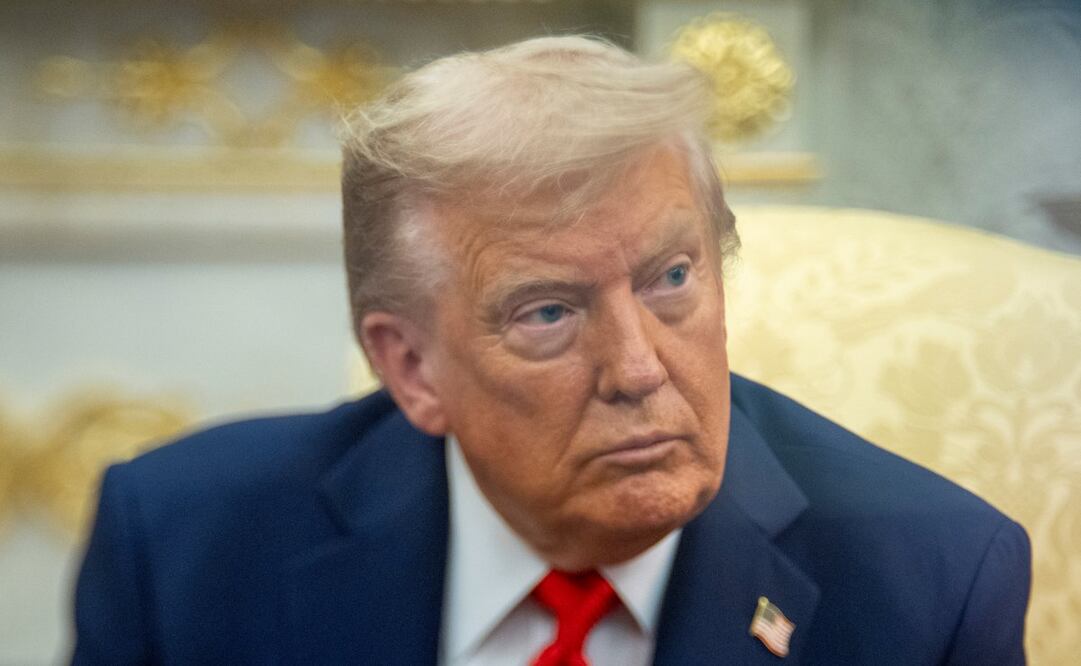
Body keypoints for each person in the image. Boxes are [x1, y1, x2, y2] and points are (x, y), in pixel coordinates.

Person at [72, 36, 1030, 665]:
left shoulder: (929, 582)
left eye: (670, 278)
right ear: (410, 367)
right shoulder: (182, 548)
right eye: (546, 314)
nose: (639, 369)